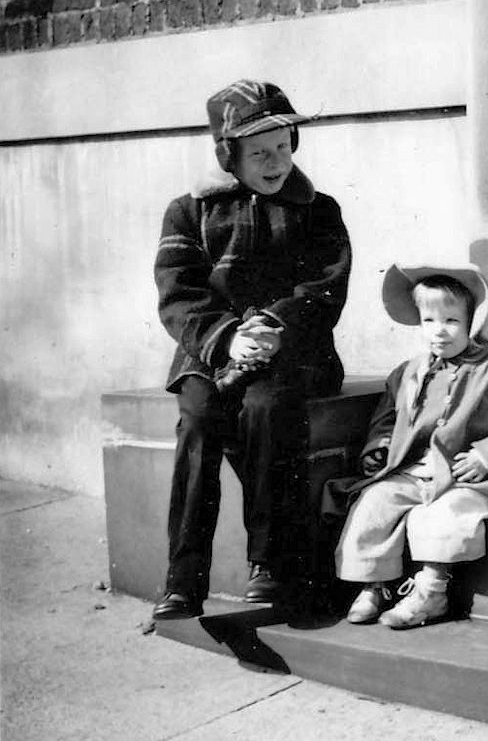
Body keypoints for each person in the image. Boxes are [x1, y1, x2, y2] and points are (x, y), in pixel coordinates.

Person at [152, 80, 351, 620]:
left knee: (266, 410)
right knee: (197, 420)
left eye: (284, 147)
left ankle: (270, 565)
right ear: (228, 154)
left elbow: (325, 287)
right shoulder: (189, 213)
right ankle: (183, 578)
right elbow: (179, 293)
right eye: (259, 152)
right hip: (213, 351)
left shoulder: (318, 211)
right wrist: (227, 338)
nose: (275, 162)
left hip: (291, 351)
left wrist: (271, 326)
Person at [327, 263, 488, 628]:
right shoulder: (408, 371)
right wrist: (380, 446)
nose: (439, 331)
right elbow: (386, 417)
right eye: (429, 321)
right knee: (375, 502)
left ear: (471, 322)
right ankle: (377, 583)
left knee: (444, 513)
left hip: (465, 474)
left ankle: (432, 591)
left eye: (451, 321)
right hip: (413, 469)